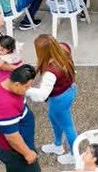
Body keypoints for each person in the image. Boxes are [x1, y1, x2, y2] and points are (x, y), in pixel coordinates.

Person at [26, 34, 79, 165]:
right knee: (53, 117)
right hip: (69, 90)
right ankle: (57, 145)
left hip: (59, 98)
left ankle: (74, 155)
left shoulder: (51, 72)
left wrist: (25, 90)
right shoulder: (64, 48)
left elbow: (42, 95)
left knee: (68, 126)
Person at [0, 63, 42, 171]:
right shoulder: (5, 105)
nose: (28, 89)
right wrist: (28, 153)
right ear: (17, 84)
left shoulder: (6, 81)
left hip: (18, 143)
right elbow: (12, 137)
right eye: (26, 86)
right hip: (16, 151)